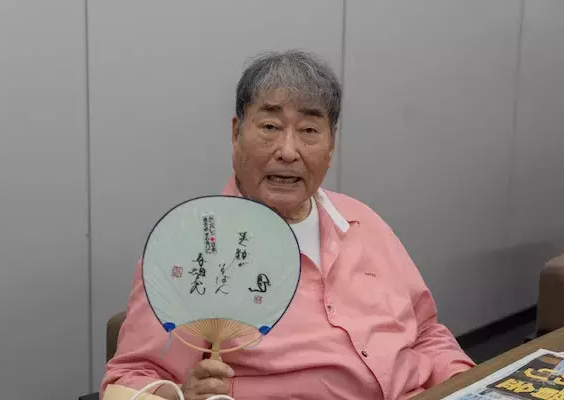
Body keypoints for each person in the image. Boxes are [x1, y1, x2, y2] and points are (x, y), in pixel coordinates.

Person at [101, 50, 474, 400]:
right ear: (236, 134)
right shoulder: (190, 251)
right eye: (270, 126)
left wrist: (467, 383)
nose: (288, 151)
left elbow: (426, 332)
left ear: (331, 145)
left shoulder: (362, 221)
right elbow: (128, 380)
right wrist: (180, 394)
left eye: (309, 130)